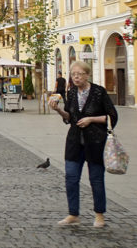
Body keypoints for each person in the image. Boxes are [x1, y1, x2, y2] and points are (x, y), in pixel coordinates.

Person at [48, 61, 118, 228]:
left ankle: (99, 215)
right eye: (73, 74)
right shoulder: (71, 92)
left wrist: (91, 119)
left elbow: (112, 117)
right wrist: (58, 110)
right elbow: (70, 118)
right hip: (74, 142)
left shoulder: (99, 92)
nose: (76, 77)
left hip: (95, 142)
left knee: (96, 179)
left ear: (87, 75)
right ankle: (73, 214)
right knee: (71, 178)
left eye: (79, 74)